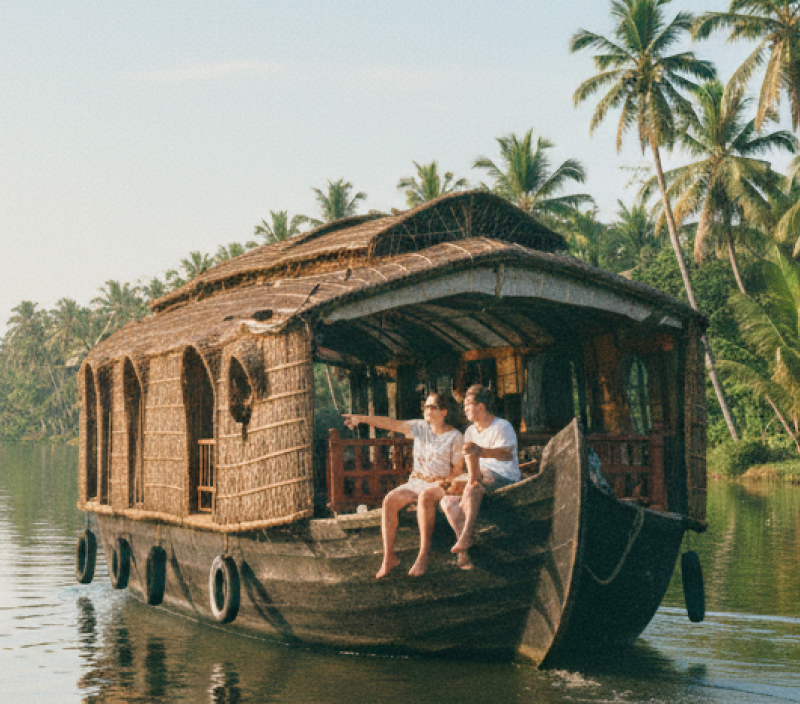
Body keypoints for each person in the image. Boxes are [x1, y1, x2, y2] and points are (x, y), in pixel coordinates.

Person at [342, 392, 464, 579]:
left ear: (444, 412)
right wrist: (361, 419)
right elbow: (391, 423)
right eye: (426, 406)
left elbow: (457, 470)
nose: (427, 410)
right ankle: (389, 557)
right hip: (417, 481)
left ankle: (423, 555)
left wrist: (445, 481)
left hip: (439, 483)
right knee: (390, 500)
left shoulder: (454, 436)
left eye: (432, 407)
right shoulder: (420, 427)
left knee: (425, 498)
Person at [441, 384, 519, 562]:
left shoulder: (502, 426)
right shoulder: (470, 431)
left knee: (472, 486)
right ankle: (465, 546)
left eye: (468, 404)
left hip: (504, 476)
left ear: (481, 407)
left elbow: (506, 454)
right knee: (447, 501)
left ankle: (467, 537)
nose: (465, 409)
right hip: (481, 475)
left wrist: (480, 451)